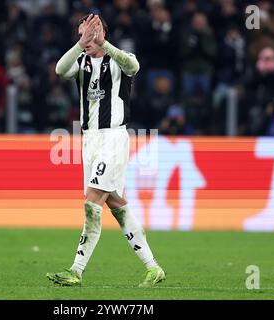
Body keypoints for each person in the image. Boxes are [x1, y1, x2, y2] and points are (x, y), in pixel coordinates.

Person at [46, 14, 165, 287]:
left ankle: (76, 270)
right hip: (89, 140)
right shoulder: (81, 61)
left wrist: (104, 43)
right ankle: (153, 267)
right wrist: (80, 44)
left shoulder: (119, 58)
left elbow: (133, 65)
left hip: (113, 138)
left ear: (101, 32)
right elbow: (60, 70)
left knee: (92, 203)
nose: (84, 39)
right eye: (80, 34)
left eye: (88, 33)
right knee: (115, 203)